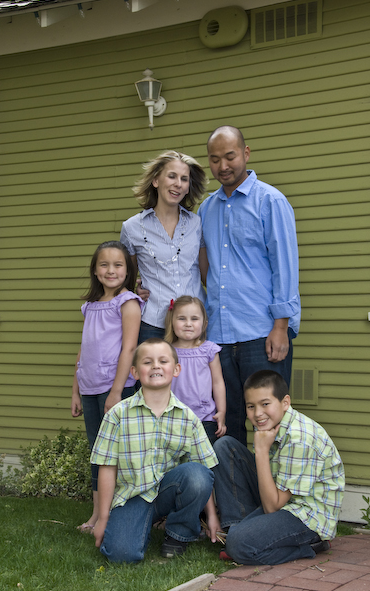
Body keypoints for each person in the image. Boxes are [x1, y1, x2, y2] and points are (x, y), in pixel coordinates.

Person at [198, 125, 301, 446]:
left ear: (245, 153)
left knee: (269, 423)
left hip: (262, 333)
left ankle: (270, 482)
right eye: (215, 159)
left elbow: (285, 266)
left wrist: (281, 326)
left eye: (230, 156)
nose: (223, 166)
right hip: (219, 336)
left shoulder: (270, 201)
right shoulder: (206, 209)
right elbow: (202, 267)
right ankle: (235, 482)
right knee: (226, 424)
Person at [90, 338, 220, 563]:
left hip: (167, 491)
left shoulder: (188, 418)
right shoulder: (118, 415)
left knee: (197, 474)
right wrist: (102, 518)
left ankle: (178, 535)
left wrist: (212, 516)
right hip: (132, 496)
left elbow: (203, 471)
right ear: (135, 372)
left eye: (163, 361)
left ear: (176, 369)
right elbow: (107, 468)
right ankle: (136, 525)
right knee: (122, 555)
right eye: (147, 362)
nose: (156, 366)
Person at [212, 370, 345, 565]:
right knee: (225, 447)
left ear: (285, 402)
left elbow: (273, 507)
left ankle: (311, 545)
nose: (258, 413)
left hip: (306, 515)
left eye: (265, 404)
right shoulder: (270, 422)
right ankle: (238, 529)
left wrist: (261, 450)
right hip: (279, 496)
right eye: (251, 406)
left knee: (240, 545)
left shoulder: (300, 439)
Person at [71, 240, 144, 533]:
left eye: (118, 265)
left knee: (116, 452)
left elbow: (129, 349)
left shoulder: (128, 303)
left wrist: (116, 391)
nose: (111, 270)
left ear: (128, 271)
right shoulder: (90, 306)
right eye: (104, 264)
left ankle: (119, 513)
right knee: (97, 451)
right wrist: (75, 390)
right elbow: (83, 350)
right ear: (95, 270)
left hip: (114, 388)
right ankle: (96, 513)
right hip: (89, 387)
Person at [120, 150, 208, 343]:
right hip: (152, 324)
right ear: (156, 181)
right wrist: (136, 292)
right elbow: (125, 282)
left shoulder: (197, 224)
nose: (178, 184)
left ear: (188, 187)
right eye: (172, 176)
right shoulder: (131, 228)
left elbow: (206, 275)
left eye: (184, 179)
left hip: (193, 324)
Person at [164, 295, 226, 444]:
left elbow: (218, 382)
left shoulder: (209, 350)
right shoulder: (166, 351)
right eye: (182, 318)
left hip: (205, 418)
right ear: (172, 322)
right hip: (173, 418)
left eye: (194, 319)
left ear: (204, 324)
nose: (188, 324)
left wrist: (222, 411)